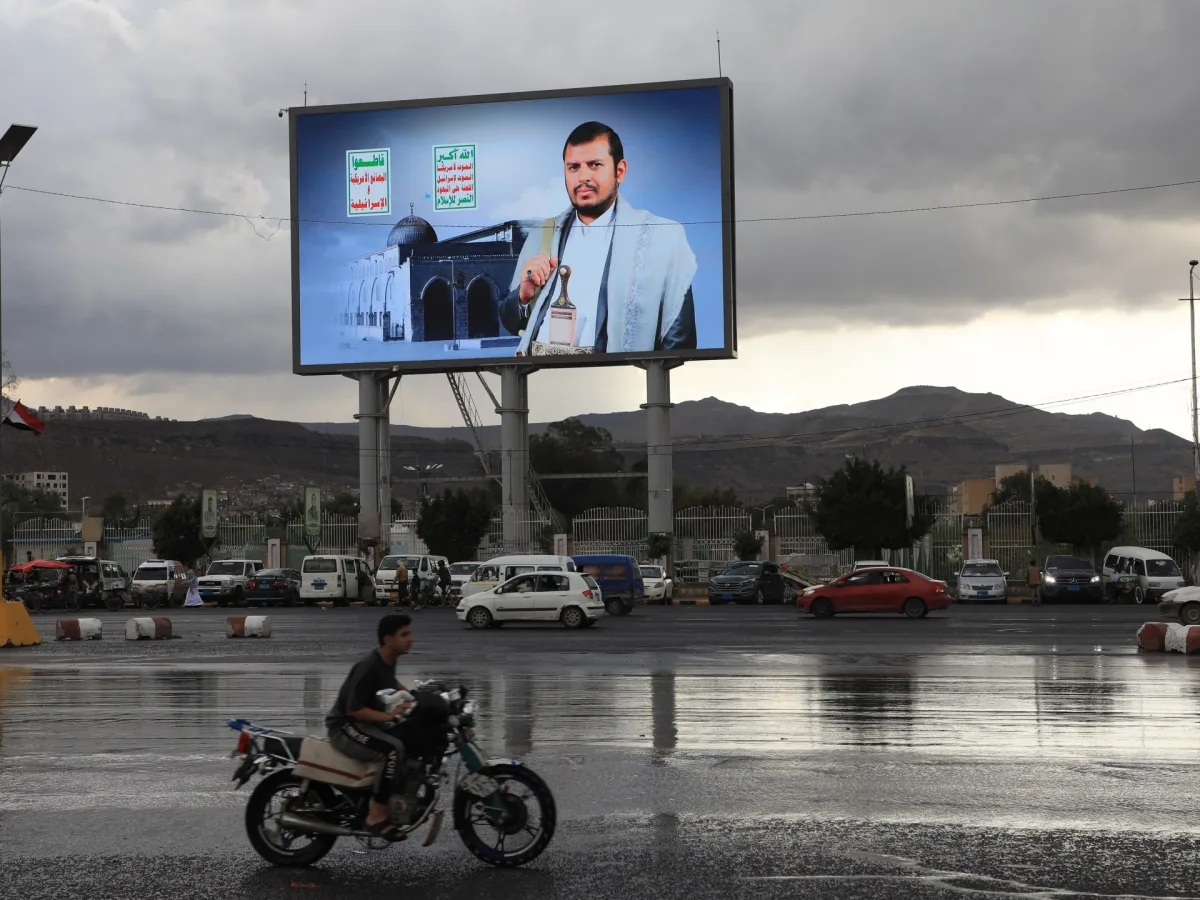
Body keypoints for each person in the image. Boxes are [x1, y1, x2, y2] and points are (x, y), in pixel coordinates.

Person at [499, 121, 698, 356]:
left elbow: (679, 340)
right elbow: (512, 323)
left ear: (620, 171)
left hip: (615, 379)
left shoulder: (660, 237)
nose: (583, 177)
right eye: (573, 167)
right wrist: (523, 296)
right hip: (540, 378)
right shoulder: (542, 235)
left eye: (594, 165)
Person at [326, 614, 415, 834]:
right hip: (344, 727)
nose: (411, 639)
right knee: (392, 750)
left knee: (407, 737)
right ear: (388, 639)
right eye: (404, 634)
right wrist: (390, 716)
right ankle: (376, 815)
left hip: (361, 724)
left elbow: (393, 684)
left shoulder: (388, 661)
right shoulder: (368, 666)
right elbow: (353, 709)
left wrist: (415, 699)